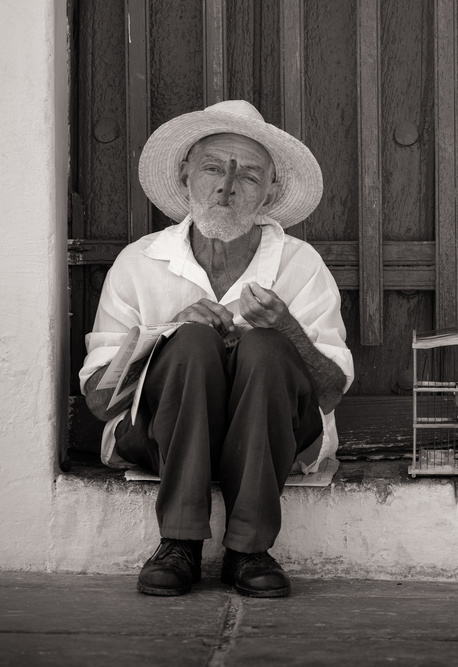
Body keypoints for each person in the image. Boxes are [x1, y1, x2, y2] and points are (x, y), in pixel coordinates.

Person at [79, 100, 354, 598]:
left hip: (276, 442)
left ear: (270, 192)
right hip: (161, 439)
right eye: (212, 168)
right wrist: (165, 332)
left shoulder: (301, 264)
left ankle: (248, 549)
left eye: (249, 175)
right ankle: (178, 542)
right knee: (192, 342)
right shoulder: (139, 262)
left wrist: (287, 329)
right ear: (185, 178)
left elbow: (330, 393)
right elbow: (101, 402)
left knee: (267, 346)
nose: (227, 186)